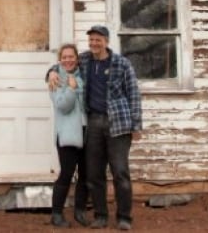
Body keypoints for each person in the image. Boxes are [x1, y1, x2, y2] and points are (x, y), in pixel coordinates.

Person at [48, 25, 142, 231]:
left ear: (106, 41)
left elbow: (134, 94)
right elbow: (66, 62)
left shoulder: (122, 64)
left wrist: (136, 125)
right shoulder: (86, 60)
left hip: (118, 123)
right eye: (91, 40)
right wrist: (51, 72)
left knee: (120, 172)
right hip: (93, 123)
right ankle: (100, 215)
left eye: (98, 40)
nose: (94, 44)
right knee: (94, 173)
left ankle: (124, 217)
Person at [48, 43, 90, 228]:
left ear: (76, 58)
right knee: (66, 174)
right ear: (60, 60)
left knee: (85, 174)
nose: (68, 60)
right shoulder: (55, 79)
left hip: (86, 131)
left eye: (71, 56)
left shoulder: (83, 76)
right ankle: (56, 214)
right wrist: (71, 89)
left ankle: (80, 211)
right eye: (64, 57)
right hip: (66, 134)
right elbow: (63, 106)